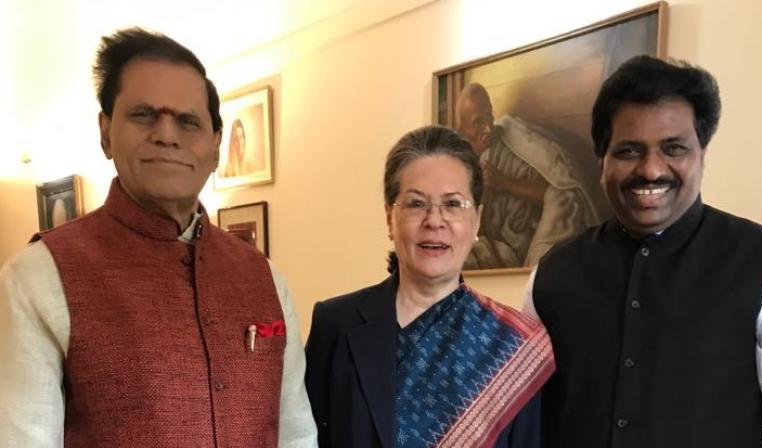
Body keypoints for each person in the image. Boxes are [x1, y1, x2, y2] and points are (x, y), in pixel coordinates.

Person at [0, 28, 316, 447]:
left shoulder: (264, 276)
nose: (167, 135)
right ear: (106, 131)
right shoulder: (40, 276)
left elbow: (296, 433)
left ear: (216, 145)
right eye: (144, 114)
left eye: (188, 121)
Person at [522, 55, 762, 448]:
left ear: (702, 155)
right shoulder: (552, 274)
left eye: (673, 148)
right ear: (601, 161)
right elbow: (527, 419)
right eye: (629, 151)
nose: (652, 170)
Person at [305, 125, 555, 448]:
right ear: (388, 218)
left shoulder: (515, 347)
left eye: (453, 204)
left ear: (477, 220)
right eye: (415, 203)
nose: (434, 220)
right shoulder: (336, 325)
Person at [455, 83, 600, 270]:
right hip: (490, 251)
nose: (488, 128)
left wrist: (505, 183)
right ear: (462, 130)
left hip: (523, 251)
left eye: (489, 115)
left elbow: (560, 191)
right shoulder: (457, 163)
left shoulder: (515, 147)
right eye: (477, 122)